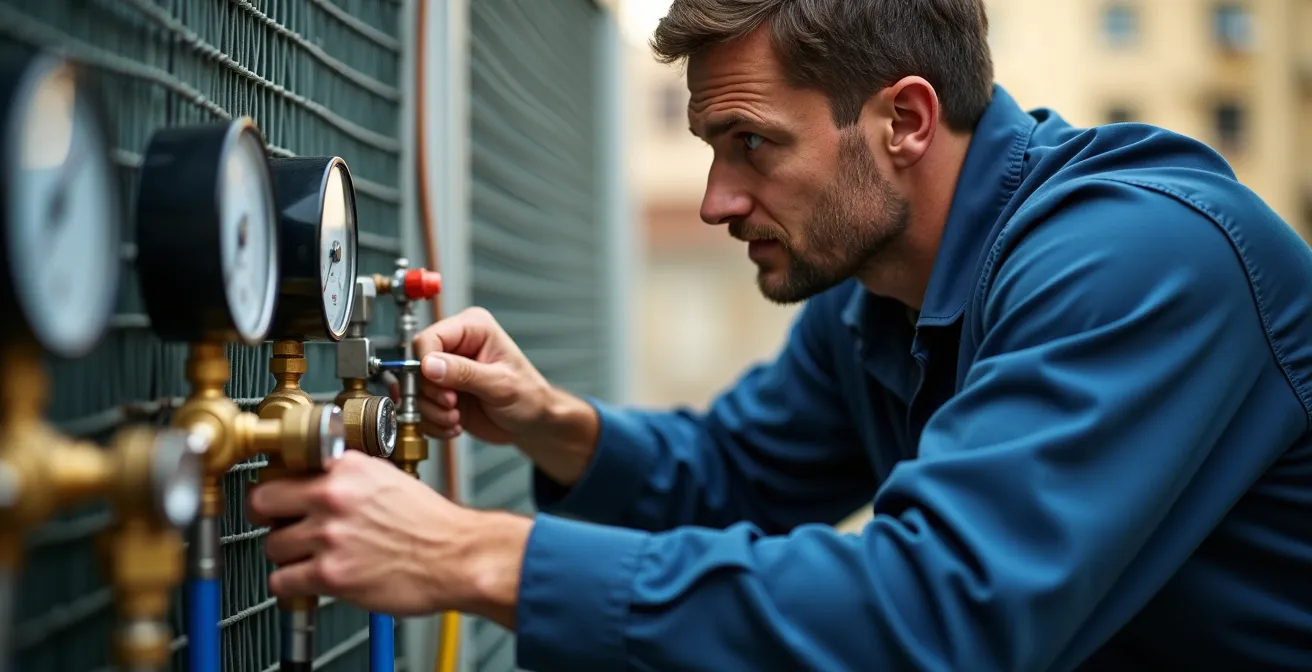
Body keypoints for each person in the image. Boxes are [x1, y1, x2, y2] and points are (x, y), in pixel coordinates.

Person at [245, 0, 1312, 670]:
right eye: (714, 146)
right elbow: (738, 473)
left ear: (903, 121)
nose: (716, 200)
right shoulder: (877, 293)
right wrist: (552, 424)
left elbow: (934, 620)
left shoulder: (1138, 262)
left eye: (751, 145)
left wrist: (472, 553)